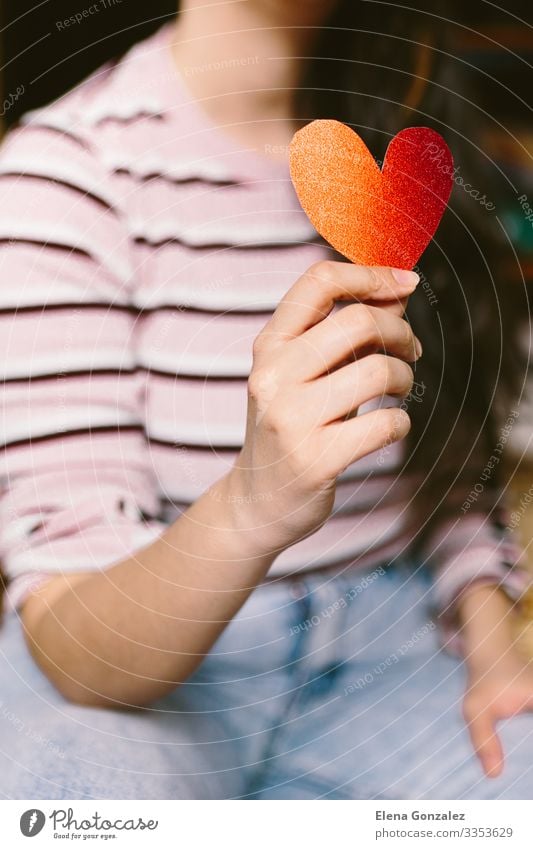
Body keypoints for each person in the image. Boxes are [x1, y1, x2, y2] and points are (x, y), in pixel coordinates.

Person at [0, 0, 532, 800]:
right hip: (159, 687)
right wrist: (253, 505)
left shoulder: (412, 142)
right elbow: (83, 650)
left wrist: (492, 636)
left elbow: (452, 454)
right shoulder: (63, 178)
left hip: (392, 648)